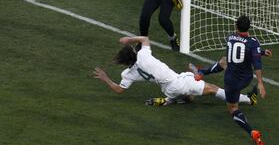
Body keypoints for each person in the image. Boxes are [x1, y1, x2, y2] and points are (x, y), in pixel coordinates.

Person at [93, 36, 257, 107]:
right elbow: (145, 39)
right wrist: (130, 40)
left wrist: (105, 78)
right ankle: (249, 100)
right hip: (178, 83)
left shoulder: (127, 75)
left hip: (168, 87)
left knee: (189, 94)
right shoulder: (143, 54)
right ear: (134, 53)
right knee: (214, 89)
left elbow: (119, 90)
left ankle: (172, 99)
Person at [211, 15, 266, 145]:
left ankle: (251, 131)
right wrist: (260, 83)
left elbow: (238, 51)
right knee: (230, 67)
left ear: (236, 26)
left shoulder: (230, 37)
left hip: (231, 81)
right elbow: (256, 63)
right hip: (246, 78)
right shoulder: (253, 42)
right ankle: (250, 97)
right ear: (249, 27)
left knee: (233, 109)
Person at [189, 49, 272, 81]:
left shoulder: (235, 39)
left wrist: (262, 52)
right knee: (224, 61)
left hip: (241, 75)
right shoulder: (249, 41)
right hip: (245, 74)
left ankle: (248, 99)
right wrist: (263, 52)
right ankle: (201, 72)